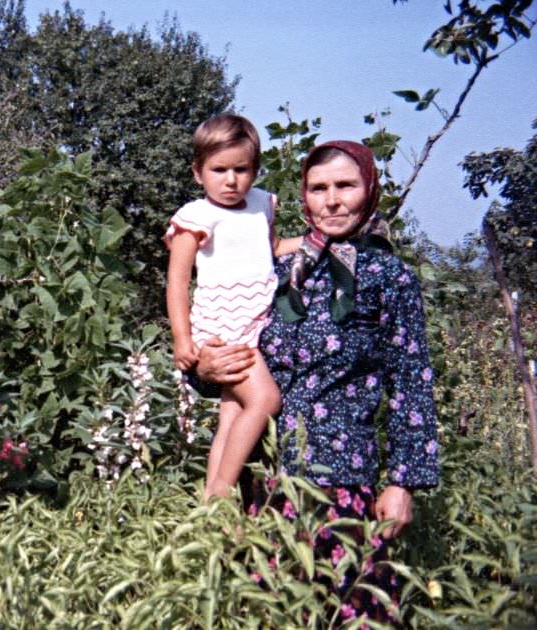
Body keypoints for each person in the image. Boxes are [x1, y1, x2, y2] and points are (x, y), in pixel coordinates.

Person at [192, 140, 440, 623]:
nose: (332, 200)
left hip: (344, 482)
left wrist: (404, 483)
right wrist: (203, 369)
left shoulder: (389, 276)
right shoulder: (277, 271)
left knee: (346, 612)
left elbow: (412, 381)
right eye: (318, 188)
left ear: (369, 188)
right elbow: (230, 353)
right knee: (265, 612)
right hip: (262, 482)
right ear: (303, 196)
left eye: (345, 185)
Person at [164, 114, 301, 501]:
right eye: (218, 169)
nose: (230, 180)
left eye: (241, 169)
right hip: (223, 328)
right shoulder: (196, 216)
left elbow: (272, 249)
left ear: (255, 170)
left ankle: (211, 499)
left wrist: (313, 241)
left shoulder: (262, 204)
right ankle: (223, 492)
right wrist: (182, 338)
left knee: (232, 414)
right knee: (265, 400)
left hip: (255, 322)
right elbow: (177, 280)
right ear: (198, 172)